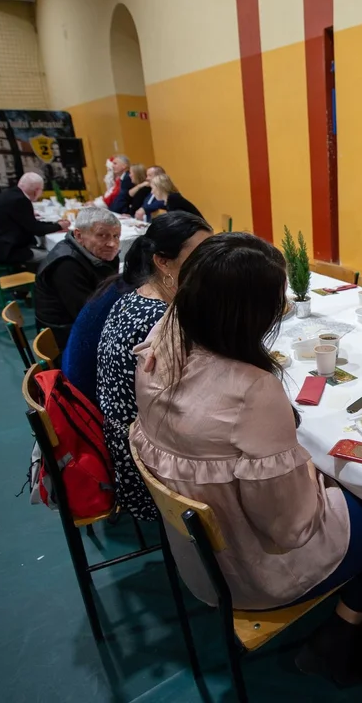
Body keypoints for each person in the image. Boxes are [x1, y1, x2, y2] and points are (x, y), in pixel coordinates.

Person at [131, 231, 362, 685]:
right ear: (247, 312)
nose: (280, 310)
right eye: (275, 301)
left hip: (194, 555)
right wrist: (316, 474)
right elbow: (290, 526)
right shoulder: (252, 389)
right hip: (252, 570)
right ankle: (344, 634)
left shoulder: (161, 339)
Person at [96, 212, 213, 520]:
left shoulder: (136, 298)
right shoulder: (157, 320)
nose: (210, 262)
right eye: (200, 254)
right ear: (163, 261)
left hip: (131, 441)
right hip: (147, 462)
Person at [35, 208, 121, 348]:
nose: (112, 243)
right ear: (79, 235)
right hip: (65, 338)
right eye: (102, 235)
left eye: (116, 236)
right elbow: (89, 315)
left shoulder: (98, 254)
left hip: (79, 326)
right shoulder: (66, 265)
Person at [0, 172, 69, 271]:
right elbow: (36, 229)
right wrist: (59, 226)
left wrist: (55, 224)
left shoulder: (9, 194)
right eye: (42, 190)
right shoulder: (20, 200)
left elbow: (30, 223)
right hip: (9, 251)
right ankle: (48, 283)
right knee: (57, 255)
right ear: (37, 190)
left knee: (45, 246)